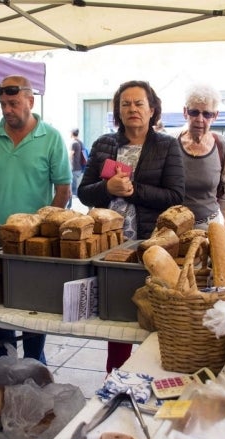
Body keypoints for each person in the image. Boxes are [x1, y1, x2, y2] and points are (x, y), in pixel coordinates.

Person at [78, 80, 184, 371]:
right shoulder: (103, 144)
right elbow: (83, 191)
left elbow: (176, 197)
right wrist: (108, 187)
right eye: (126, 104)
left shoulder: (167, 146)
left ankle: (158, 375)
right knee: (119, 320)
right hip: (112, 247)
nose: (132, 109)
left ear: (152, 110)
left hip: (153, 245)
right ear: (118, 111)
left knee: (158, 316)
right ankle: (115, 379)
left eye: (139, 103)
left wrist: (132, 190)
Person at [0, 75, 71, 364]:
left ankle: (34, 366)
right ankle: (1, 368)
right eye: (3, 104)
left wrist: (43, 228)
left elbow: (63, 188)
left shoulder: (51, 137)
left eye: (13, 103)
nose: (7, 110)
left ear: (30, 100)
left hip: (32, 244)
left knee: (32, 310)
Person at [177, 83, 225, 230]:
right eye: (194, 112)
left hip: (211, 227)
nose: (200, 119)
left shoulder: (222, 145)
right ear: (185, 112)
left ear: (215, 116)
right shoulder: (171, 144)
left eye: (207, 114)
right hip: (177, 227)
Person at [68, 128, 86, 208]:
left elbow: (70, 155)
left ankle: (71, 206)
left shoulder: (73, 143)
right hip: (79, 168)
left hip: (74, 168)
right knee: (75, 188)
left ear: (72, 133)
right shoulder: (80, 142)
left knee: (72, 190)